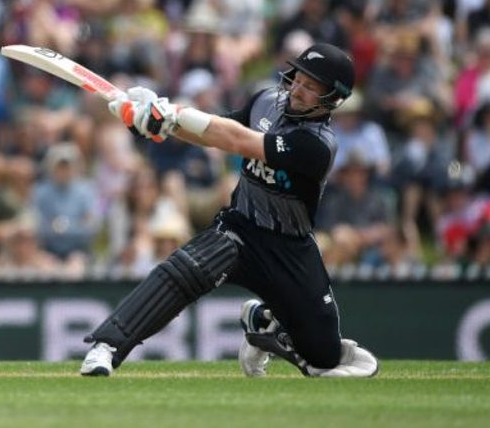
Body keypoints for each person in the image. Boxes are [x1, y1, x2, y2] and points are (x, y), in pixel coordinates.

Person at [81, 43, 379, 378]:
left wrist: (174, 112)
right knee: (185, 271)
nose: (297, 89)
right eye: (298, 78)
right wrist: (156, 124)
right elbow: (214, 133)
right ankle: (105, 346)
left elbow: (238, 142)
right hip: (241, 228)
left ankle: (265, 325)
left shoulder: (318, 145)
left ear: (331, 99)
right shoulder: (266, 100)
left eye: (311, 87)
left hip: (290, 249)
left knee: (323, 357)